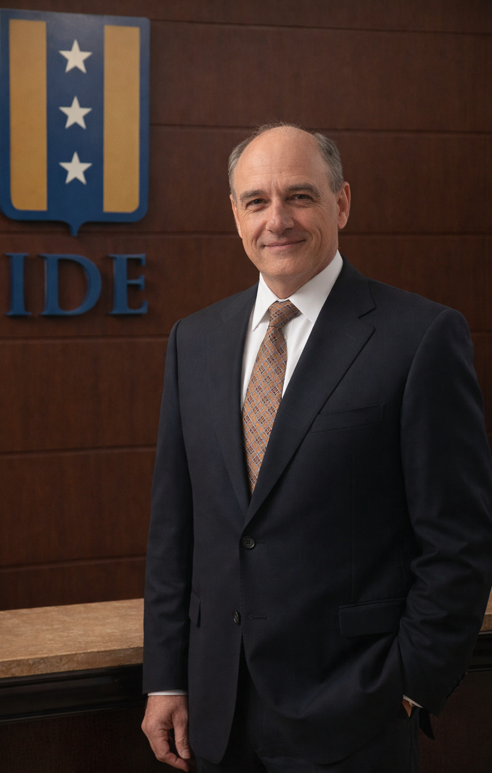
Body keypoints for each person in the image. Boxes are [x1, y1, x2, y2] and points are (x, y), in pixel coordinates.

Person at [141, 123, 492, 772]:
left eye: (299, 196)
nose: (276, 220)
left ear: (342, 202)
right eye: (256, 201)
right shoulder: (194, 340)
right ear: (235, 214)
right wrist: (165, 678)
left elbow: (459, 541)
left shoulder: (420, 337)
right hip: (215, 717)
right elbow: (174, 530)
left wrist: (407, 686)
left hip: (356, 718)